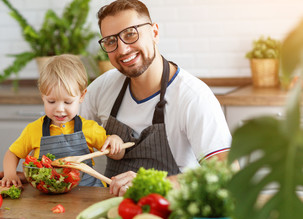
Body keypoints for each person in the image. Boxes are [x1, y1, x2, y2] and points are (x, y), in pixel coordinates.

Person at [79, 0, 233, 196]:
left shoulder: (193, 96)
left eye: (130, 34)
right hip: (112, 209)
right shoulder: (102, 87)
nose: (122, 50)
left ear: (155, 33)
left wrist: (151, 183)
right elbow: (66, 132)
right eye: (111, 41)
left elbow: (226, 172)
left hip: (171, 215)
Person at [0, 54, 125, 187]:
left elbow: (116, 154)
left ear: (82, 96)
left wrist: (116, 142)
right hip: (46, 195)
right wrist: (10, 175)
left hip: (87, 194)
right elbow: (12, 154)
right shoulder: (34, 129)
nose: (59, 109)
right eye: (51, 101)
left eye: (68, 102)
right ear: (42, 96)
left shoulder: (90, 128)